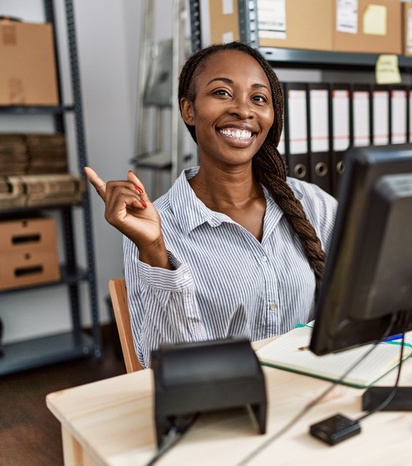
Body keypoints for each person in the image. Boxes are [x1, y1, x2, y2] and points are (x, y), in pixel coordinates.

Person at [85, 42, 337, 368]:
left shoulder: (312, 204)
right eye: (222, 93)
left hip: (312, 393)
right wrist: (154, 250)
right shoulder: (154, 227)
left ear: (272, 117)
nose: (244, 110)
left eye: (258, 98)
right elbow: (163, 366)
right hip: (220, 405)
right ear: (188, 109)